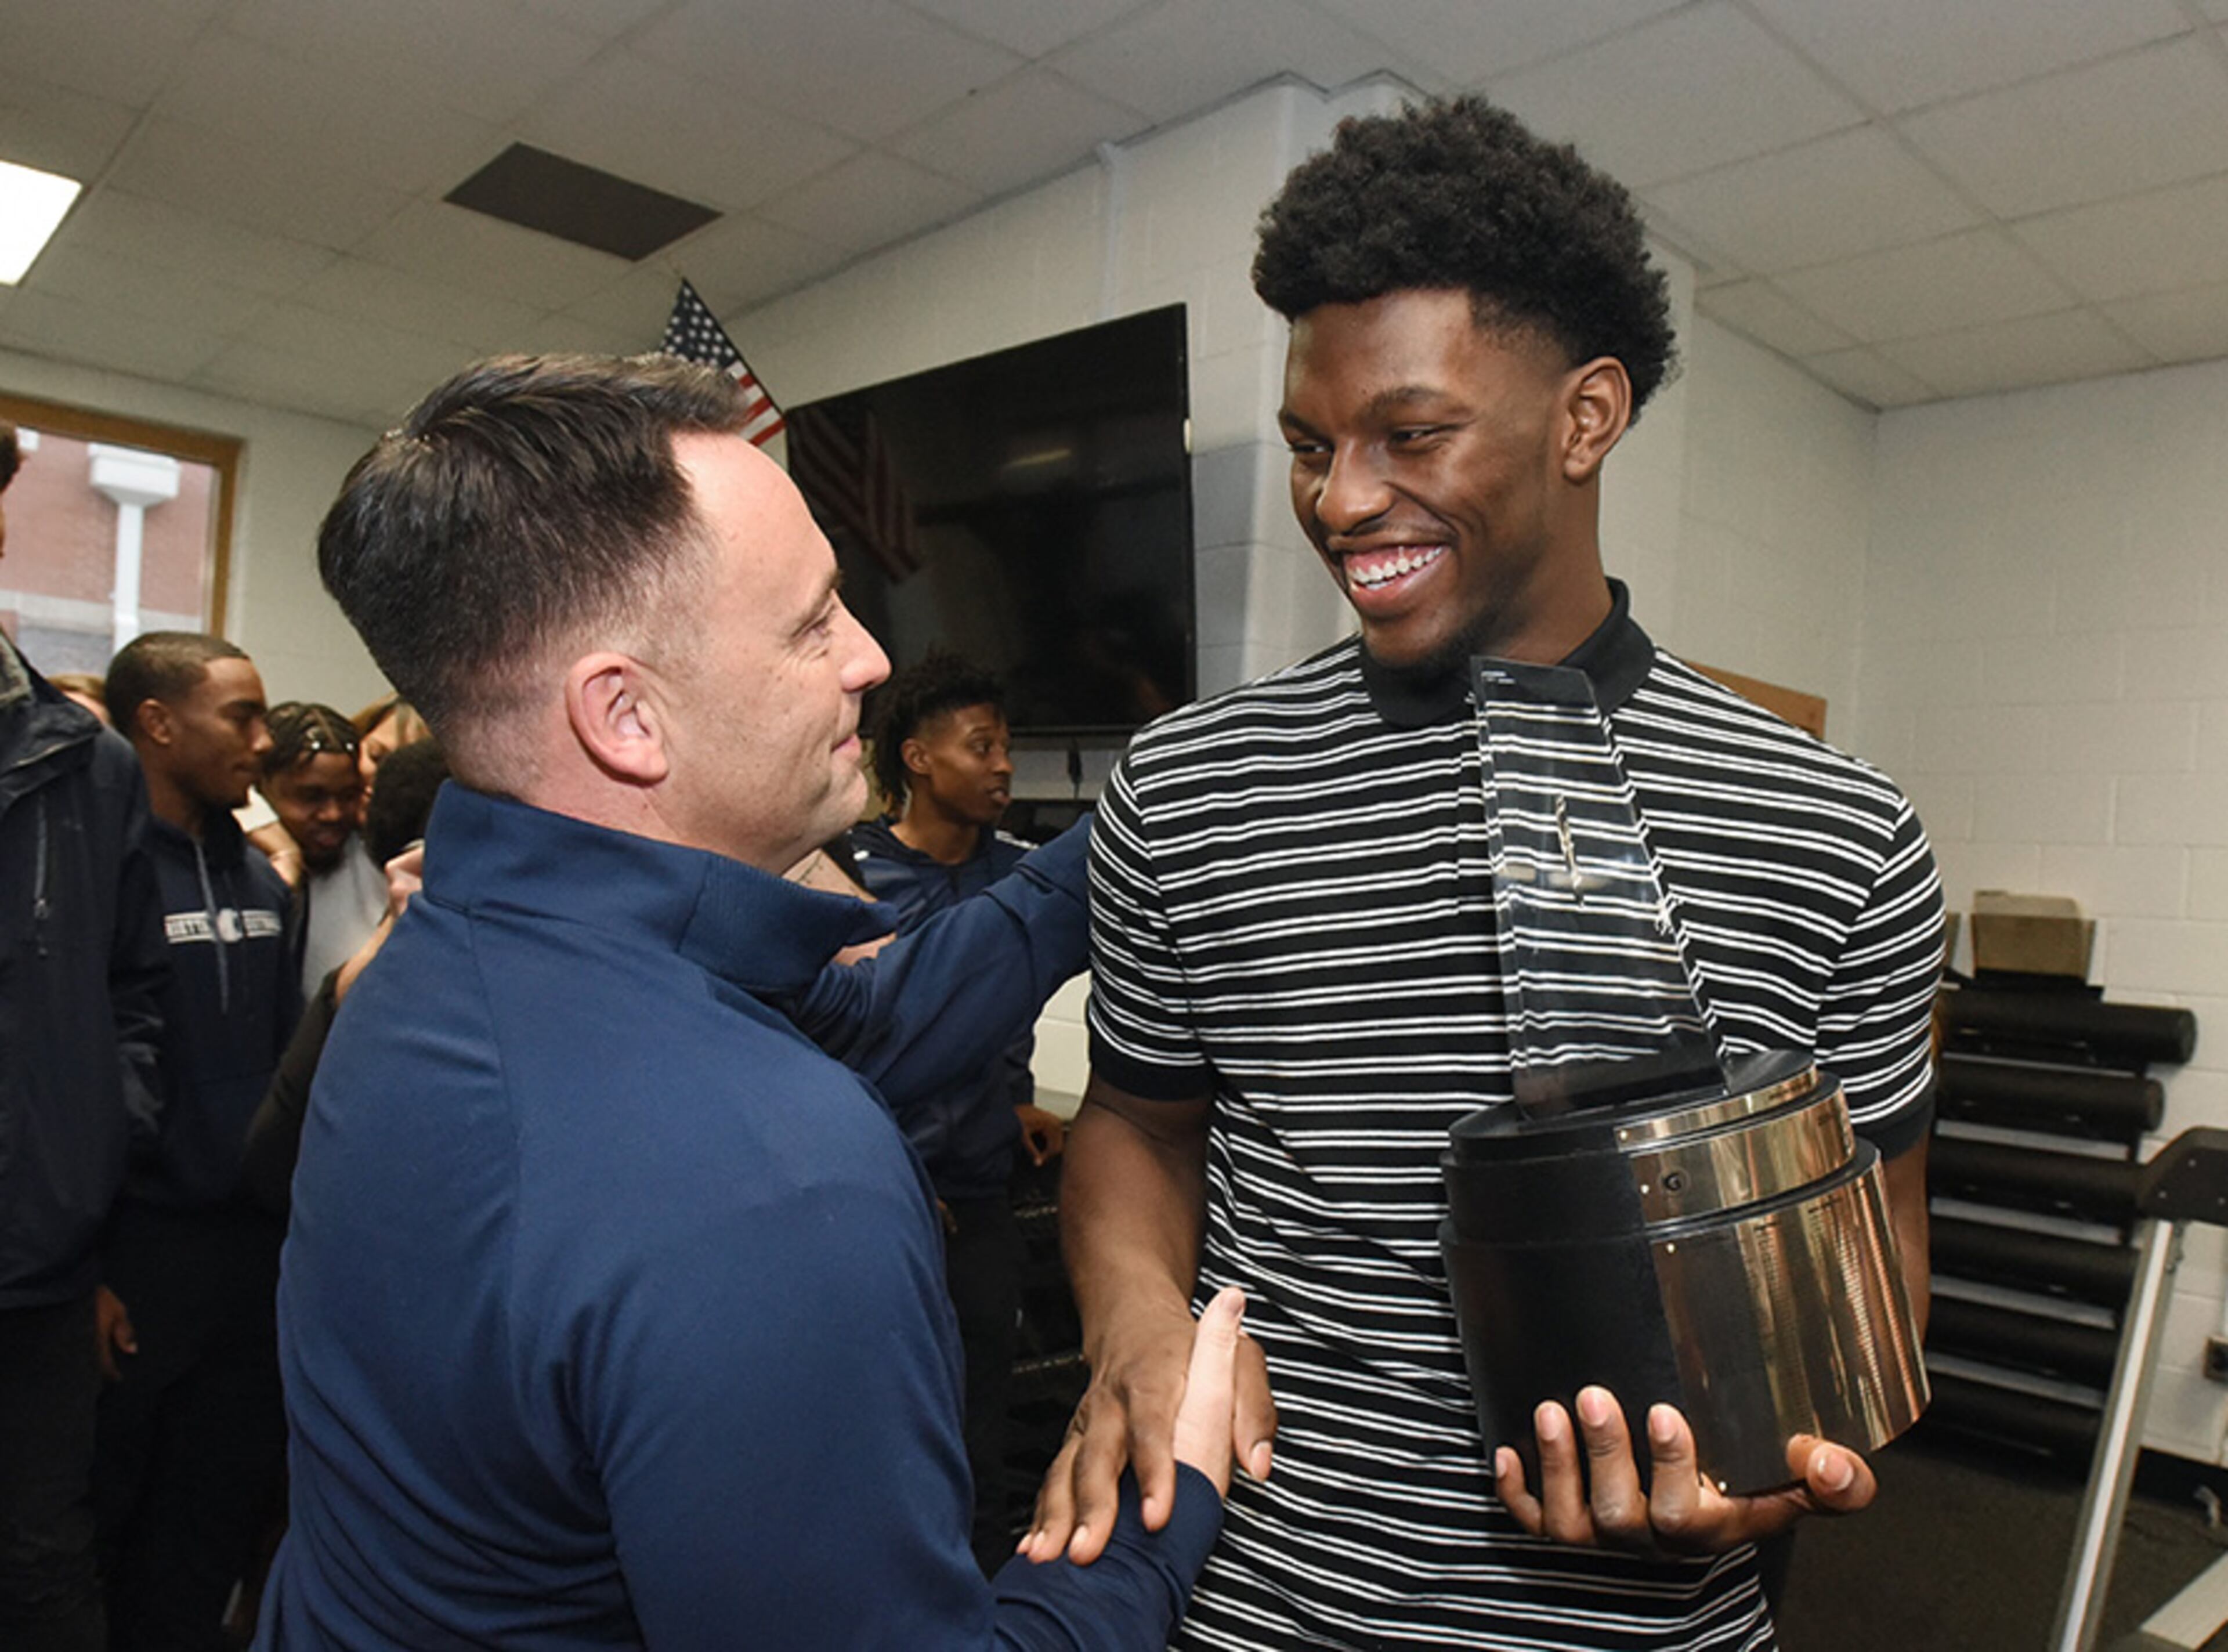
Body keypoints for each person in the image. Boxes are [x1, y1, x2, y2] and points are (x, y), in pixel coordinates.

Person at [1029, 96, 1944, 1650]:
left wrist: (1775, 1477)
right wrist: (1136, 1325)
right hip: (1256, 1604)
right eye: (1316, 447)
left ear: (1586, 418)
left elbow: (1878, 1284)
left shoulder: (1842, 829)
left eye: (1412, 433)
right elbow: (1137, 1124)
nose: (1340, 501)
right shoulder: (1187, 787)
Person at [255, 352, 1246, 1650]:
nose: (870, 658)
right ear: (626, 715)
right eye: (813, 621)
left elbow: (871, 1018)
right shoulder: (770, 1181)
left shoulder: (436, 955)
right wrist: (1157, 1523)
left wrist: (1138, 812)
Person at [97, 631, 302, 1652]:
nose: (262, 740)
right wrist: (85, 1263)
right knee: (104, 1511)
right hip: (136, 1250)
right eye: (242, 716)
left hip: (250, 1250)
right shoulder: (104, 869)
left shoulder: (269, 882)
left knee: (212, 1508)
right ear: (159, 722)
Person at [0, 422, 169, 1652]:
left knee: (46, 1564)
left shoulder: (86, 761)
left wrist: (101, 1140)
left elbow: (132, 989)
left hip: (39, 1268)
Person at [853, 650, 1070, 1570]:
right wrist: (891, 1167)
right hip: (876, 1204)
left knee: (981, 1431)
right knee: (884, 1429)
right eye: (979, 745)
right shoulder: (844, 875)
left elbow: (996, 1002)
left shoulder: (1022, 874)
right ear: (916, 758)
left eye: (1006, 746)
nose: (1001, 765)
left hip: (978, 1198)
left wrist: (1018, 1097)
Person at [254, 703, 384, 995]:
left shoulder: (377, 865)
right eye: (311, 797)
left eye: (347, 795)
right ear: (261, 788)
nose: (333, 814)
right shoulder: (235, 865)